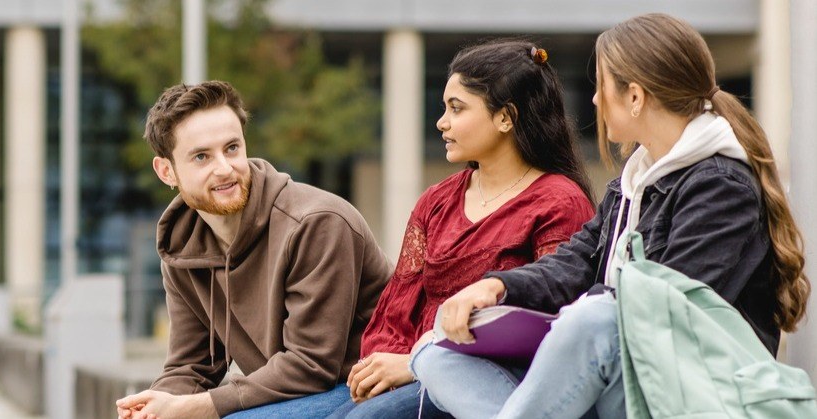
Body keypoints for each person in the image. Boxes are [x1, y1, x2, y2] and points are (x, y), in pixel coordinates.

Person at [412, 13, 811, 418]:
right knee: (433, 352)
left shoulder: (721, 187)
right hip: (619, 371)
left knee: (597, 317)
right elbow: (576, 260)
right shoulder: (633, 181)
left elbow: (660, 306)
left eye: (602, 87)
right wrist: (497, 287)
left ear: (635, 98)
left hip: (686, 386)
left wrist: (576, 319)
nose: (595, 101)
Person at [329, 40, 595, 419]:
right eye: (444, 108)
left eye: (457, 108)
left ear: (506, 118)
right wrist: (382, 366)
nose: (442, 122)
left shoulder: (558, 202)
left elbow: (550, 322)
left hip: (493, 382)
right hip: (411, 374)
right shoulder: (436, 200)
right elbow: (397, 306)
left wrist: (416, 362)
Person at [114, 81, 390, 419]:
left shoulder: (316, 223)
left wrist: (197, 408)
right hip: (293, 392)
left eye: (231, 148)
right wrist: (151, 409)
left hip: (361, 386)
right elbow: (191, 366)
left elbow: (312, 366)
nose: (225, 168)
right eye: (202, 156)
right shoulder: (182, 250)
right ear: (166, 171)